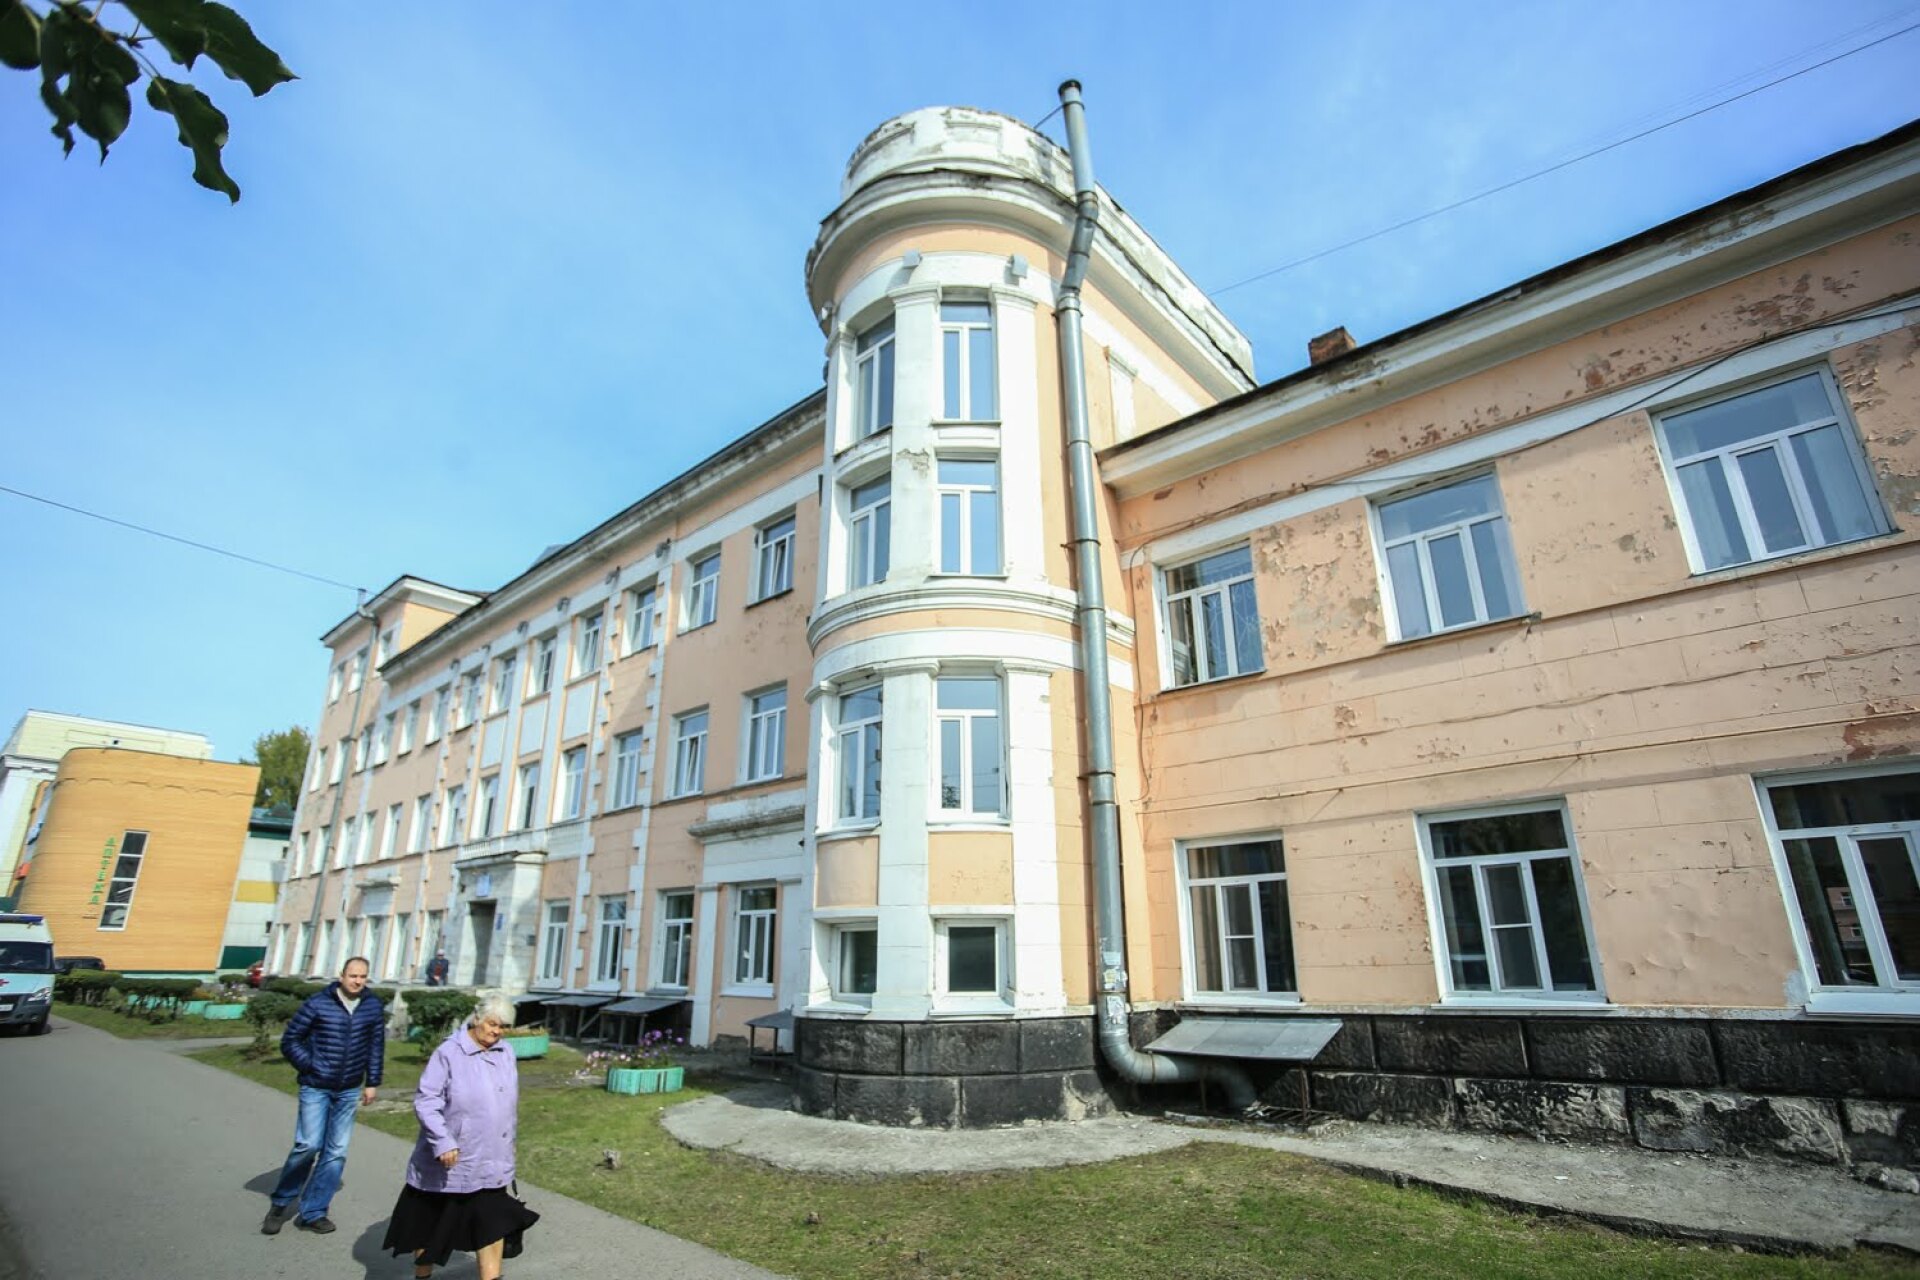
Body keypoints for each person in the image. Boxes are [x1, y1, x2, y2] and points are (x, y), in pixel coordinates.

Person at [383, 993, 540, 1280]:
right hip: (451, 1162)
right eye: (492, 1024)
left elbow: (506, 1106)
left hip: (491, 1158)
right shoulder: (449, 1053)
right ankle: (423, 1275)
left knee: (492, 1226)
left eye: (503, 1026)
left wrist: (508, 1144)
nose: (497, 1031)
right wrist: (443, 1141)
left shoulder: (505, 1052)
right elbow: (427, 1101)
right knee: (431, 1227)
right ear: (477, 1018)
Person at [261, 956, 386, 1236]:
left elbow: (376, 1045)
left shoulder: (372, 1006)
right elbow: (290, 1040)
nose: (357, 981)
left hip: (349, 1088)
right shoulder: (319, 1003)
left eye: (363, 976)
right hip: (316, 1086)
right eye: (353, 976)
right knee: (307, 1145)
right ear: (341, 976)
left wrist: (372, 1082)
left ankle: (314, 1211)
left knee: (336, 1152)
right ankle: (280, 1203)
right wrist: (311, 1065)